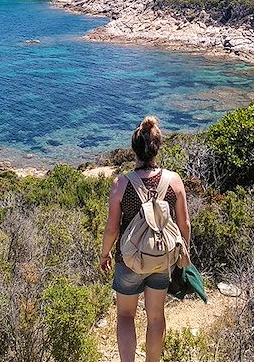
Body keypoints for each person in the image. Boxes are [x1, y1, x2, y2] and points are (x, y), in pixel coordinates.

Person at [99, 116, 191, 362]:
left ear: (134, 149)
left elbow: (111, 228)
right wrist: (185, 256)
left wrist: (105, 253)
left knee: (126, 316)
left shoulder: (121, 184)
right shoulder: (174, 181)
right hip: (161, 258)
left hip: (128, 259)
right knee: (156, 316)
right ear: (157, 147)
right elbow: (185, 224)